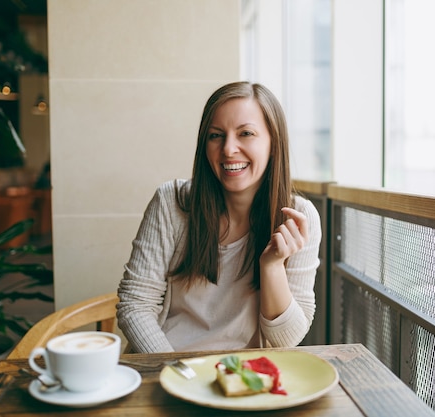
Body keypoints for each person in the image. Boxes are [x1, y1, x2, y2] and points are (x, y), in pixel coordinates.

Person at [116, 81, 321, 353]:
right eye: (216, 135)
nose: (228, 149)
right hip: (164, 368)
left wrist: (272, 266)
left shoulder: (299, 218)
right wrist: (175, 372)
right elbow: (134, 305)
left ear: (274, 144)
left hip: (242, 379)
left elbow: (286, 339)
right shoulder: (171, 202)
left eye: (246, 133)